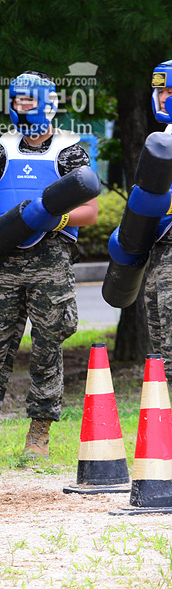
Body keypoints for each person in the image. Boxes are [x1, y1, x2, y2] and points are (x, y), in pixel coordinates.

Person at [0, 72, 98, 460]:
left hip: (50, 261)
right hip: (5, 259)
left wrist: (58, 219)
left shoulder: (69, 149)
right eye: (17, 101)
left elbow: (90, 211)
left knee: (47, 346)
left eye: (28, 101)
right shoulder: (4, 147)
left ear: (47, 103)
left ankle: (38, 435)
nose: (21, 108)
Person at [144, 60, 172, 383]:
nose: (165, 98)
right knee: (162, 347)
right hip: (160, 252)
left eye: (171, 90)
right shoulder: (161, 138)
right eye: (161, 90)